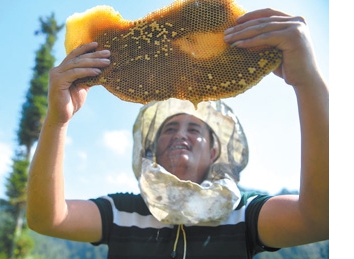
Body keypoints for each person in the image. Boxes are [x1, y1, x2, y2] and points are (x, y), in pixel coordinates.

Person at [26, 7, 328, 259]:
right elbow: (47, 219)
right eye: (169, 128)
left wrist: (307, 81)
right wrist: (58, 120)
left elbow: (321, 218)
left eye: (194, 128)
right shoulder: (122, 212)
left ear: (214, 151)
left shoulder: (243, 213)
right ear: (152, 147)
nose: (180, 134)